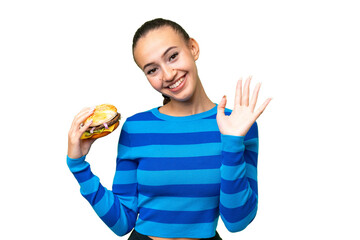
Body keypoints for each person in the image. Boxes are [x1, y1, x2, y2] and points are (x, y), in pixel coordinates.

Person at [67, 18, 271, 240]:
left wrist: (232, 143)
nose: (168, 74)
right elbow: (122, 222)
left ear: (193, 48)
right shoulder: (136, 129)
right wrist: (78, 166)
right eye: (152, 69)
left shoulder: (239, 125)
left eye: (173, 56)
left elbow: (237, 221)